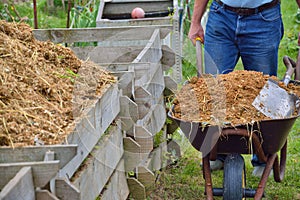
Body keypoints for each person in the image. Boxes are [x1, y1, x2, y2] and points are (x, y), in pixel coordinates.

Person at [188, 0, 300, 176]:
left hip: (263, 19)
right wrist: (195, 22)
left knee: (264, 95)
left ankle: (262, 157)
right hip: (221, 17)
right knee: (215, 90)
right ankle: (219, 152)